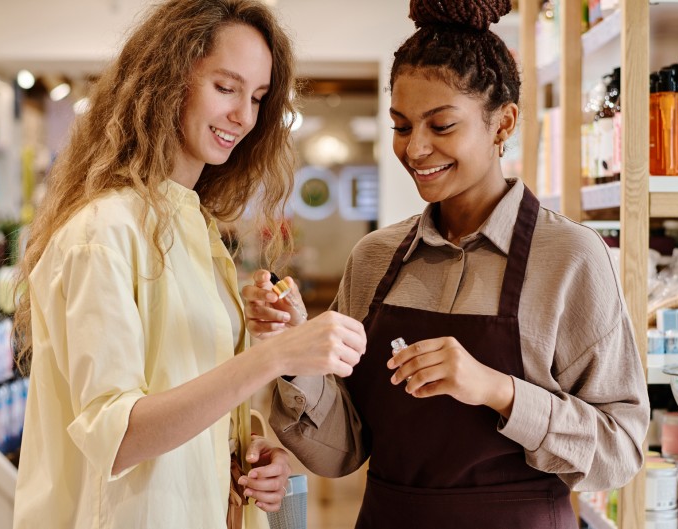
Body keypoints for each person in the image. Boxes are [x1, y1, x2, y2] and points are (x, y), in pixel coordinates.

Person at [242, 1, 649, 527]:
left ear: (503, 123)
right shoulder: (374, 259)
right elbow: (341, 451)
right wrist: (296, 351)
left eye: (442, 125)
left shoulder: (570, 257)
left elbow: (620, 452)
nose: (416, 148)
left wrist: (498, 391)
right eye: (402, 125)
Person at [11, 1, 366, 528]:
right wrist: (273, 359)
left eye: (258, 98)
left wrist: (246, 449)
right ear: (164, 81)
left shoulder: (194, 227)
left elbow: (187, 402)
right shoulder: (102, 232)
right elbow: (120, 438)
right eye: (226, 88)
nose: (244, 116)